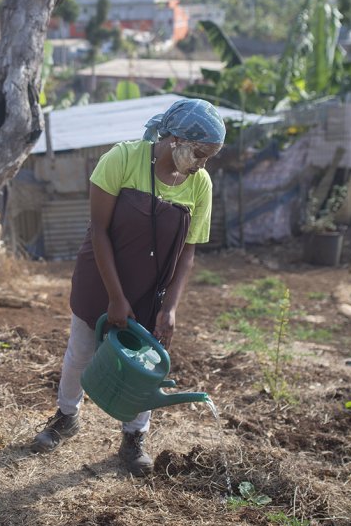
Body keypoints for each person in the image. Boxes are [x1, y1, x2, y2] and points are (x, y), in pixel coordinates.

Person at [31, 98, 226, 476]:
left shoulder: (200, 184)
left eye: (209, 157)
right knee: (82, 351)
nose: (202, 163)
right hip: (101, 278)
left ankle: (134, 437)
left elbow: (188, 252)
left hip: (152, 288)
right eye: (200, 153)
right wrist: (116, 298)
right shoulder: (122, 159)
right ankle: (66, 416)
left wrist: (170, 307)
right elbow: (99, 231)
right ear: (174, 140)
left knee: (146, 367)